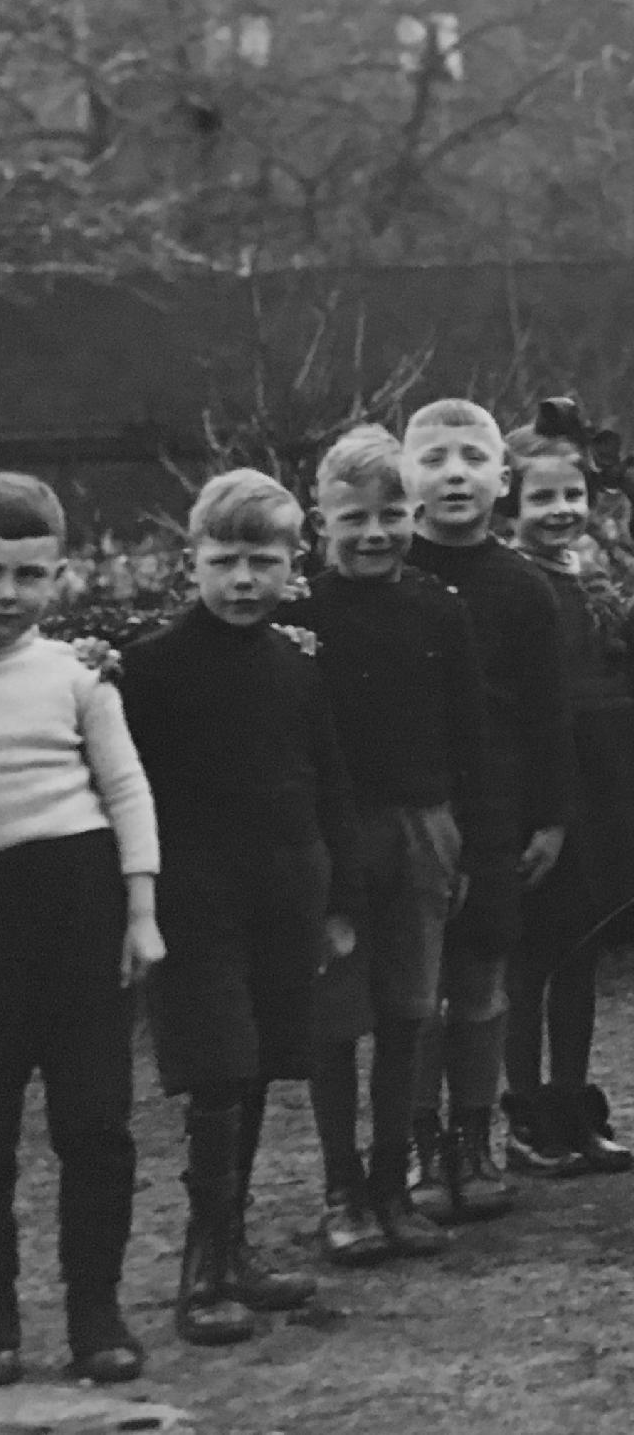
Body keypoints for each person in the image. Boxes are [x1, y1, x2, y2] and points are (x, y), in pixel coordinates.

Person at [0, 472, 164, 1389]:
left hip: (83, 911)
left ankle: (96, 1311)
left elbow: (126, 788)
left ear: (58, 577)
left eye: (29, 575)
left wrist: (141, 912)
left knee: (95, 1126)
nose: (7, 594)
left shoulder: (76, 675)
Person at [119, 468, 363, 1346]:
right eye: (224, 561)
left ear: (294, 563)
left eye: (264, 561)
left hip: (282, 894)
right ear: (193, 560)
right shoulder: (150, 667)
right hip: (194, 901)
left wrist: (339, 902)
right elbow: (127, 793)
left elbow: (328, 781)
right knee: (218, 1071)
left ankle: (234, 1251)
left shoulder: (295, 666)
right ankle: (200, 1272)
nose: (244, 580)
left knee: (257, 1066)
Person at [305, 425, 509, 1256]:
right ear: (322, 517)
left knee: (408, 1011)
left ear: (414, 513)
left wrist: (475, 846)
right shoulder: (299, 612)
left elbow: (472, 737)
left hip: (424, 828)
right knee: (333, 1020)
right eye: (354, 517)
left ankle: (393, 1184)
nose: (374, 533)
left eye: (391, 515)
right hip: (333, 836)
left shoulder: (437, 608)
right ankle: (341, 1191)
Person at [401, 399, 574, 1211]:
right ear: (406, 475)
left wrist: (552, 816)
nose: (455, 475)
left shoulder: (523, 586)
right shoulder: (387, 572)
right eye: (434, 459)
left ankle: (474, 1143)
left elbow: (548, 712)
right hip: (410, 810)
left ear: (503, 478)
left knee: (480, 979)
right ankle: (417, 1146)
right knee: (412, 991)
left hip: (497, 813)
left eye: (473, 458)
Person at [501, 416, 633, 1172]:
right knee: (529, 958)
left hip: (604, 783)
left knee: (581, 950)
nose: (561, 510)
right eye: (542, 497)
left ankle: (574, 1104)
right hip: (544, 787)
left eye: (573, 494)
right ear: (511, 504)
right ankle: (526, 1117)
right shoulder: (516, 585)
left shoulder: (594, 577)